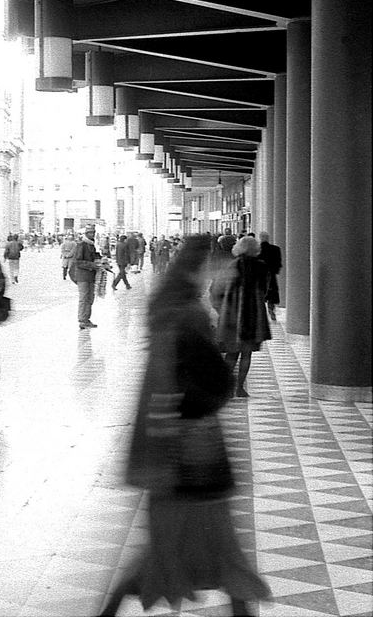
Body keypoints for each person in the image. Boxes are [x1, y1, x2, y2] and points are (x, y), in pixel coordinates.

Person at [97, 235, 270, 617]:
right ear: (201, 267)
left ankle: (112, 607)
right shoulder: (185, 314)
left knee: (174, 540)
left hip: (177, 438)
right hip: (192, 439)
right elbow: (196, 376)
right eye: (215, 266)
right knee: (210, 536)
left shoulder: (169, 306)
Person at [210, 235, 271, 398]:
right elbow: (265, 289)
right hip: (252, 315)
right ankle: (240, 388)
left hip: (231, 314)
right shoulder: (261, 267)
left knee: (231, 353)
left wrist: (220, 309)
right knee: (246, 353)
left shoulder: (230, 266)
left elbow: (215, 290)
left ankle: (225, 388)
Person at [73, 224, 102, 330]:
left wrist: (101, 260)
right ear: (86, 233)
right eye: (91, 232)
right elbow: (78, 262)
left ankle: (86, 318)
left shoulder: (91, 245)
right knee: (84, 298)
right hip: (83, 276)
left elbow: (94, 256)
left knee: (90, 298)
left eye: (94, 232)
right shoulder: (82, 245)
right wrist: (93, 265)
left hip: (90, 276)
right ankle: (82, 320)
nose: (93, 234)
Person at [258, 231, 283, 321]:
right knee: (272, 294)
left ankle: (261, 313)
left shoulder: (257, 249)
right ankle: (271, 309)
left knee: (260, 294)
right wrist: (274, 270)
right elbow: (278, 262)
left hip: (259, 276)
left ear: (260, 238)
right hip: (271, 274)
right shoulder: (275, 249)